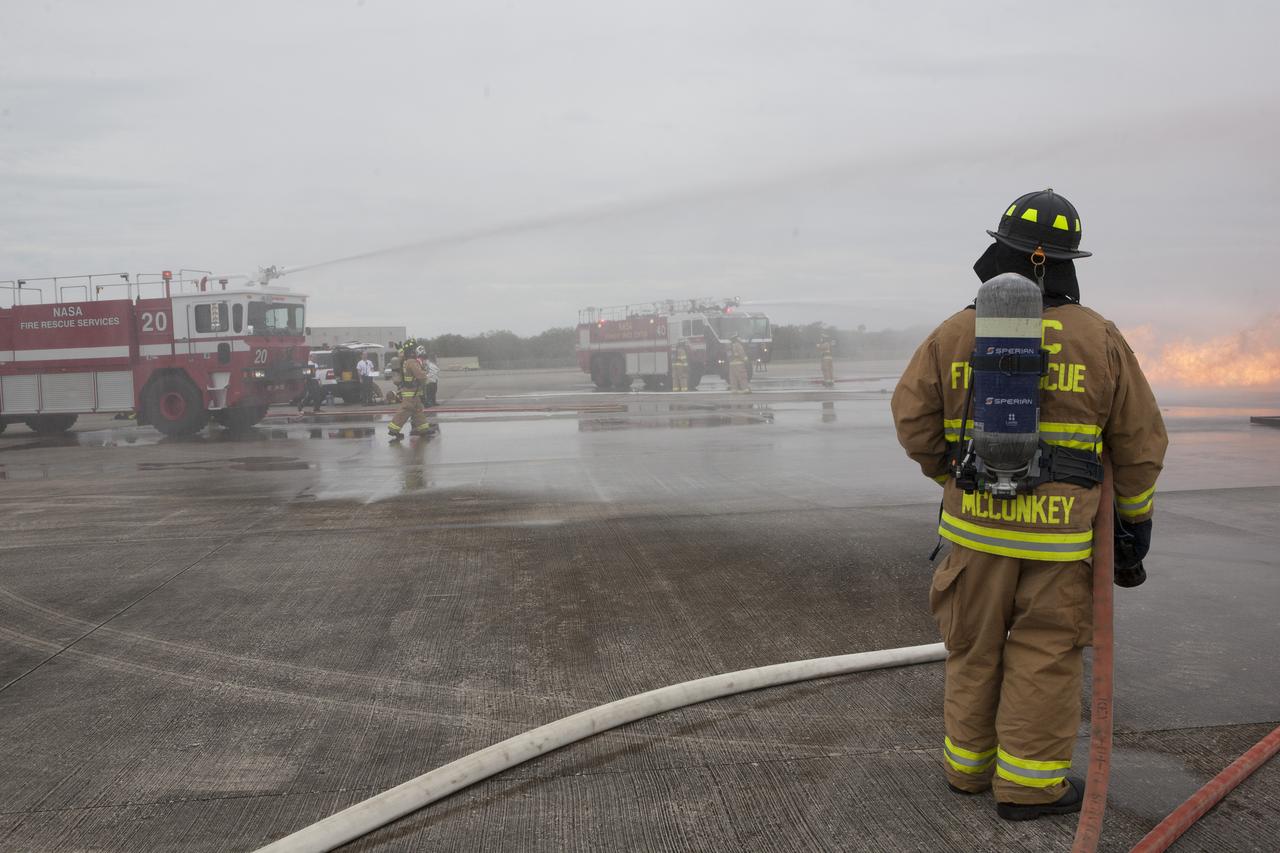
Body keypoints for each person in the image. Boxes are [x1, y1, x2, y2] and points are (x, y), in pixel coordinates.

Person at [890, 189, 1167, 821]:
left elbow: (911, 420)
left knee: (972, 648)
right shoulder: (1099, 337)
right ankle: (1029, 788)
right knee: (1045, 654)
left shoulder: (956, 331)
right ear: (1068, 262)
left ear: (1000, 250)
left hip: (975, 534)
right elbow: (1141, 442)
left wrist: (954, 478)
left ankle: (967, 771)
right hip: (1060, 541)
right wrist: (1133, 519)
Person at [387, 341, 433, 440]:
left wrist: (400, 350)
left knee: (418, 411)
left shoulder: (405, 360)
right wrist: (426, 377)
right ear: (412, 351)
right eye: (414, 349)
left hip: (412, 392)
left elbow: (402, 355)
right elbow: (420, 375)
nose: (416, 351)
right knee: (405, 411)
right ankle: (393, 430)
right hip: (411, 393)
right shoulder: (411, 362)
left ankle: (424, 430)